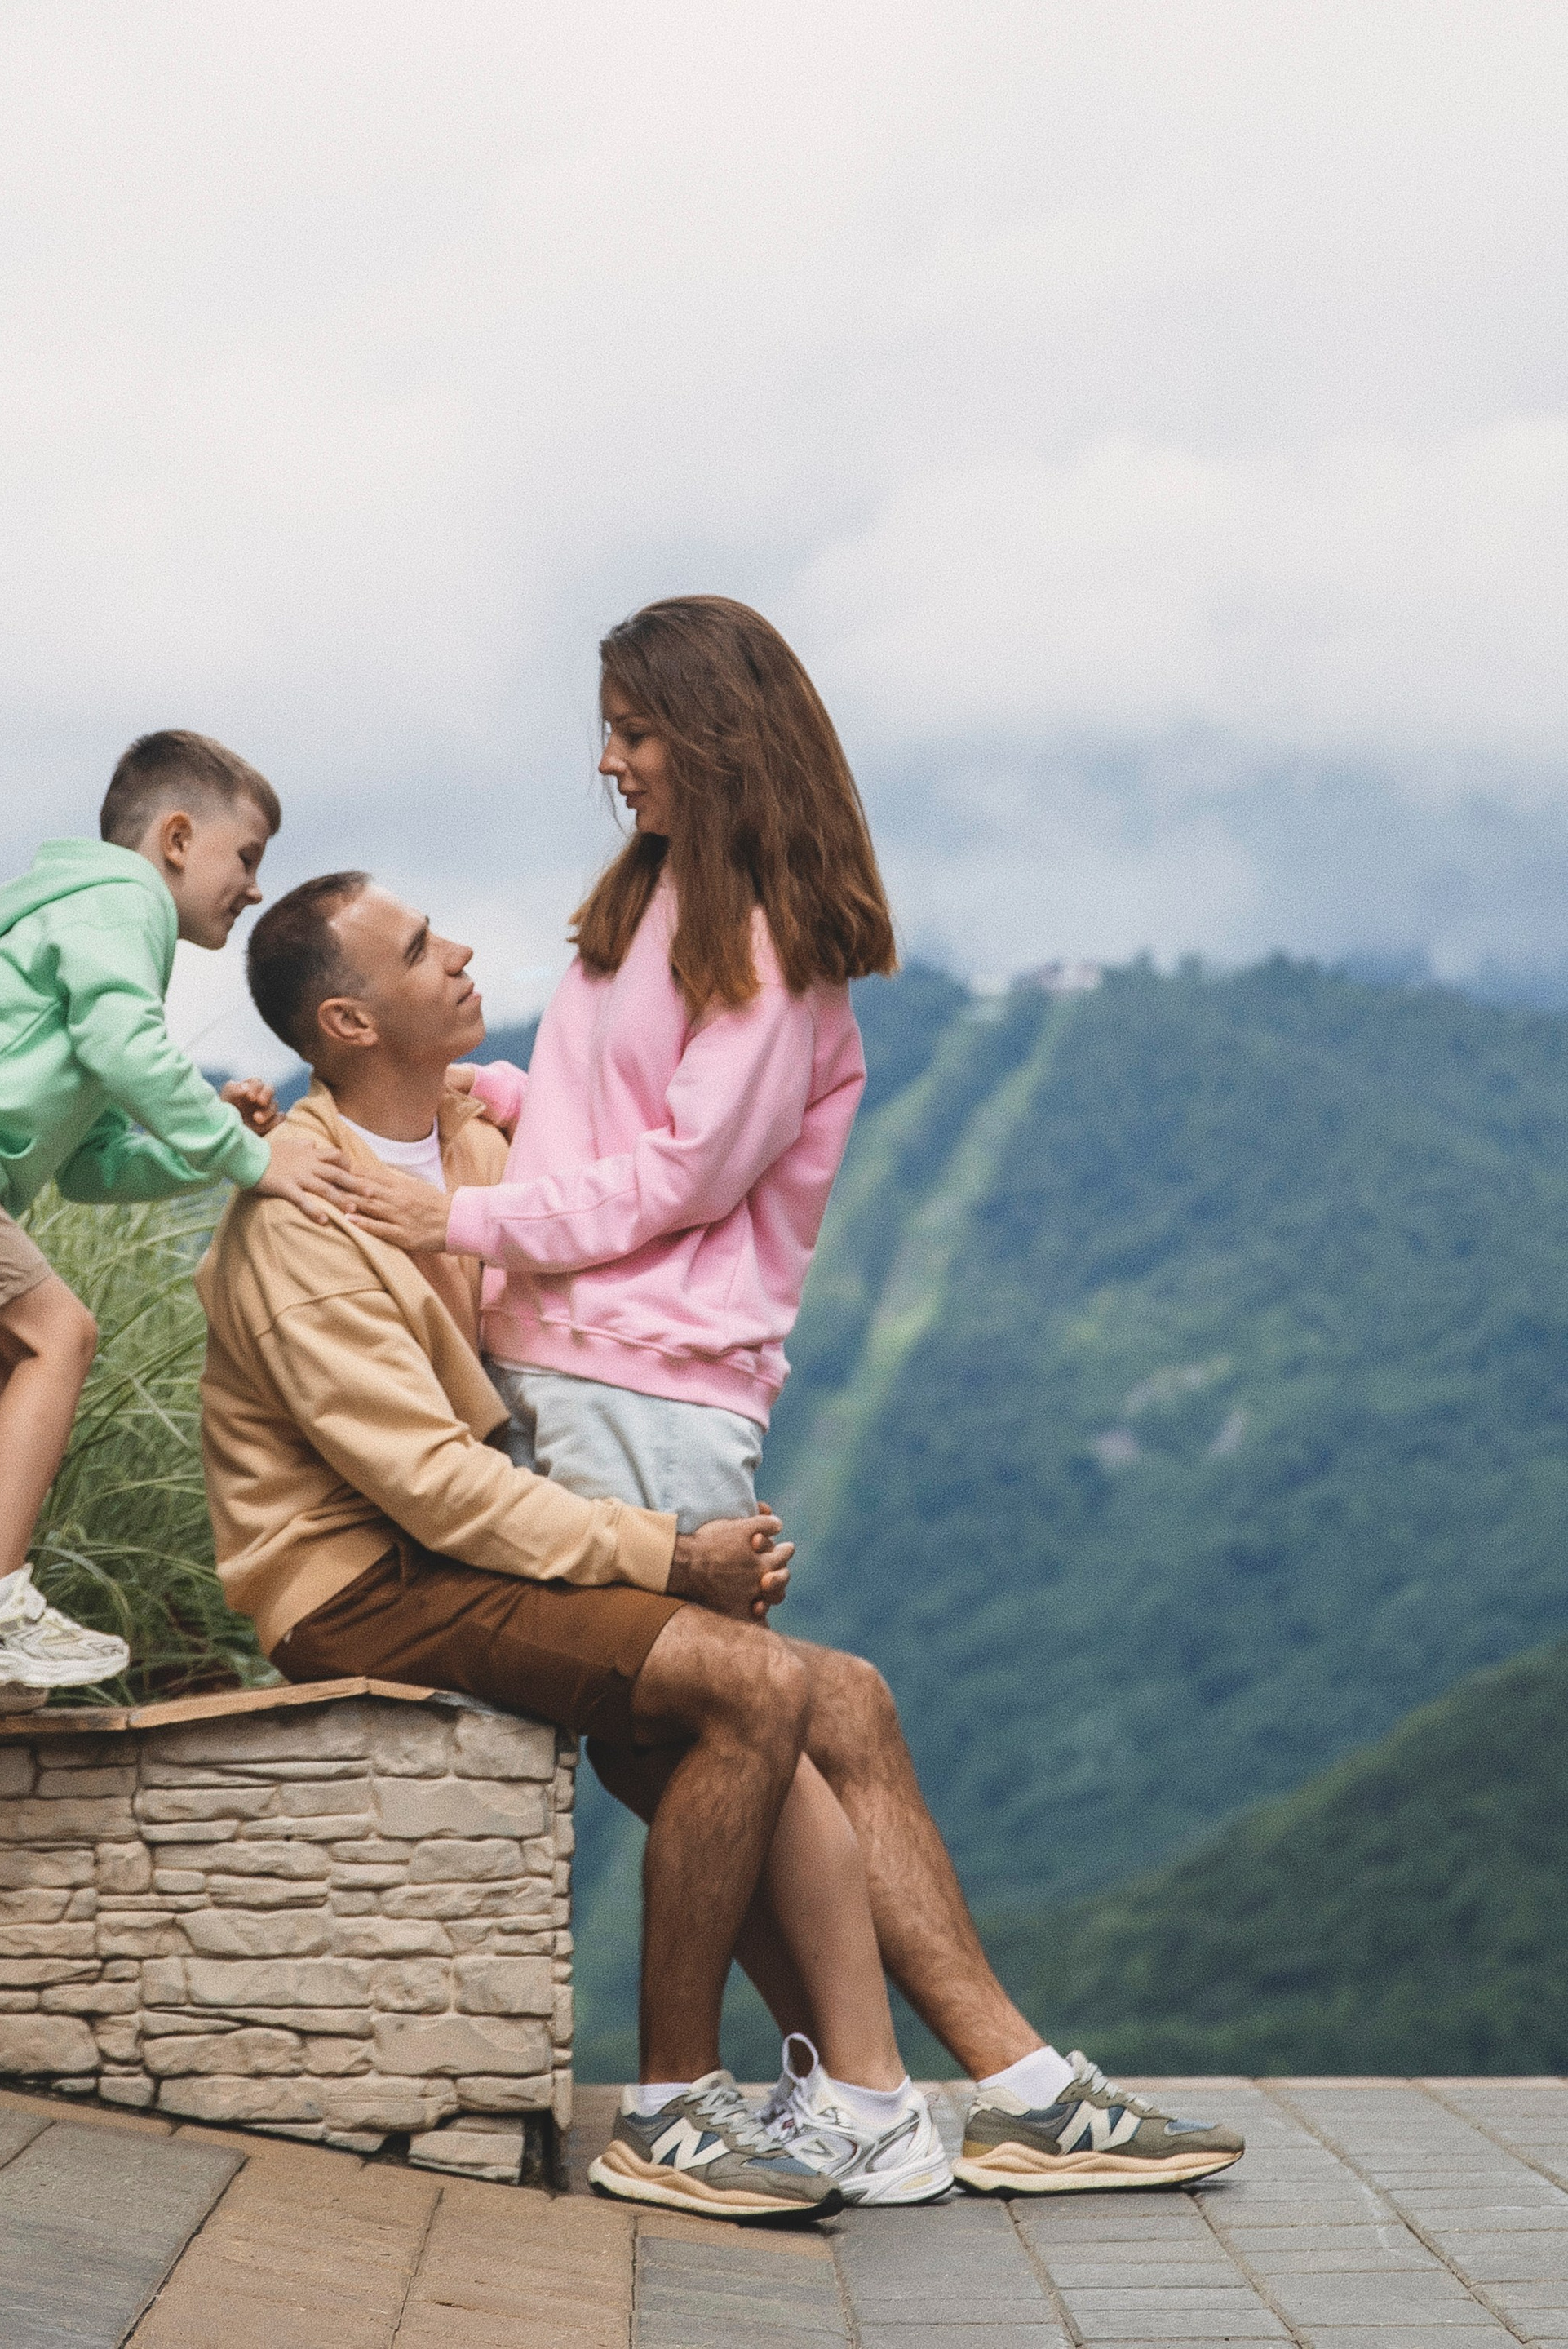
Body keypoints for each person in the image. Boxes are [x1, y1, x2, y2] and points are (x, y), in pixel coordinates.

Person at [204, 871, 1244, 2210]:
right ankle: (671, 2108)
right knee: (750, 1684)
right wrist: (666, 1553)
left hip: (468, 1552)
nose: (459, 950)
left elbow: (621, 1190)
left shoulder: (463, 1136)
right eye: (417, 947)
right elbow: (427, 1491)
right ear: (347, 1023)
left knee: (848, 1695)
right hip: (364, 1583)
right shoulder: (300, 1208)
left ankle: (1019, 2091)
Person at [0, 728, 348, 1719]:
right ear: (176, 838)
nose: (253, 887)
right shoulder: (120, 905)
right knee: (62, 1335)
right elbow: (125, 1045)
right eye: (246, 857)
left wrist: (206, 1140)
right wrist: (256, 1157)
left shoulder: (84, 937)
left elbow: (91, 1165)